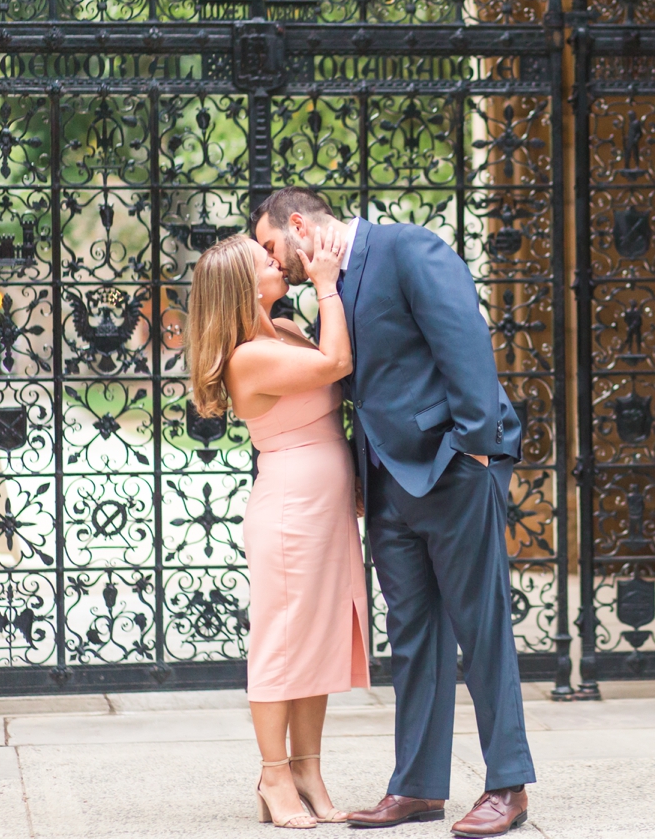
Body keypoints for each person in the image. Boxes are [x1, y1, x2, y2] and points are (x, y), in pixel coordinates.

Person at [253, 187, 535, 838]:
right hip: (387, 487)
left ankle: (508, 785)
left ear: (297, 224)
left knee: (481, 629)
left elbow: (466, 347)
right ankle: (417, 785)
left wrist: (476, 452)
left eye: (271, 246)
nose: (276, 261)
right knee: (414, 640)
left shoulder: (409, 249)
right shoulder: (329, 287)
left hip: (454, 472)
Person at [186, 228, 368, 830]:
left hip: (324, 508)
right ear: (242, 283)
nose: (276, 259)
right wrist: (327, 287)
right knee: (280, 647)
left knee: (313, 643)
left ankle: (308, 770)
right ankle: (272, 775)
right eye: (264, 258)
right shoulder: (248, 354)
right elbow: (337, 362)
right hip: (291, 512)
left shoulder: (284, 332)